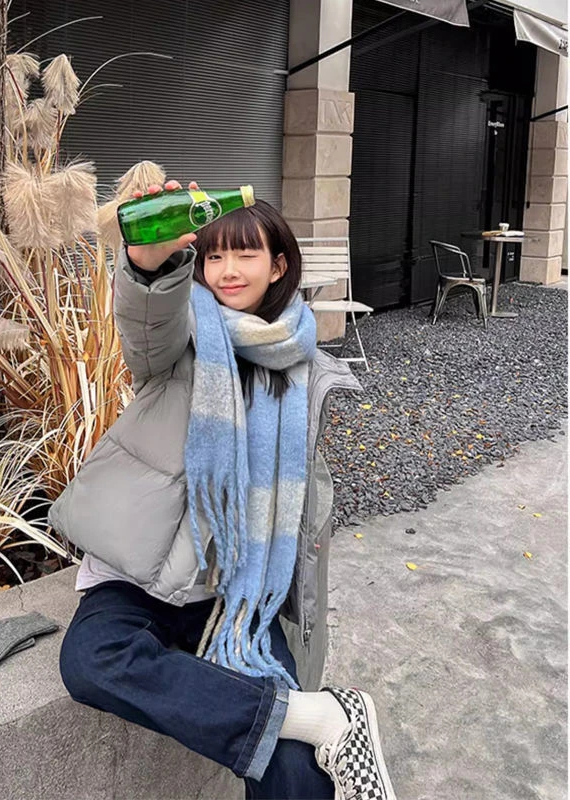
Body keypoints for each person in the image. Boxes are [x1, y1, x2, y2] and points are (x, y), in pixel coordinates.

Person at [49, 179, 396, 800]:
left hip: (235, 590)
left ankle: (302, 722)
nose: (228, 269)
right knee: (91, 660)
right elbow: (145, 318)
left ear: (278, 265)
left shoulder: (305, 366)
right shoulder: (182, 334)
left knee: (294, 768)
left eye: (245, 254)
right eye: (214, 255)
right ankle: (315, 715)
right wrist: (148, 264)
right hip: (140, 577)